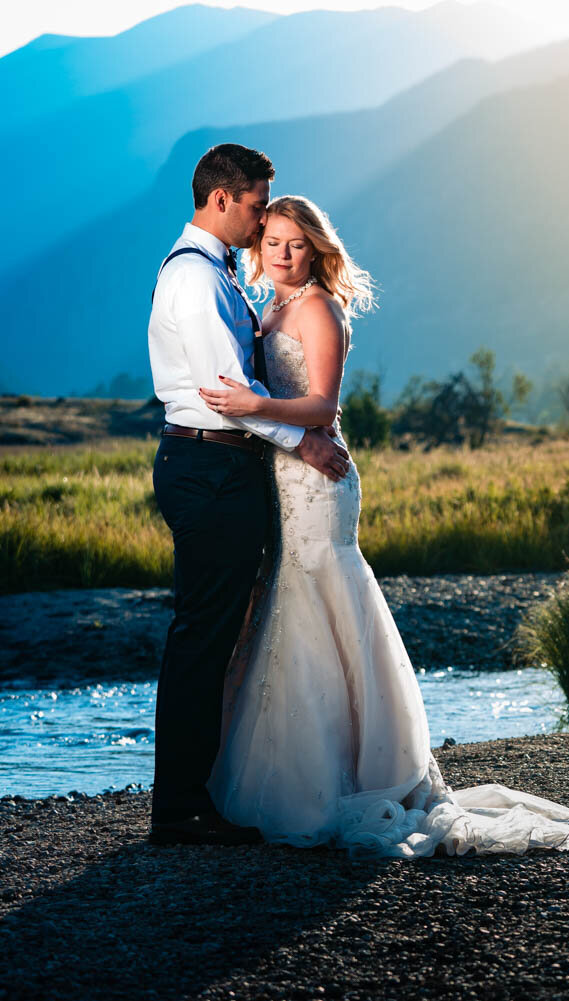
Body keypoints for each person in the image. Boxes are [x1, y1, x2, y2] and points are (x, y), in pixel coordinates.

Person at [195, 194, 569, 857]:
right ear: (257, 247)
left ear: (317, 248)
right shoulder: (272, 307)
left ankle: (352, 776)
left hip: (321, 483)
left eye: (297, 244)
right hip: (283, 478)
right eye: (273, 243)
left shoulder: (320, 307)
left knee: (322, 599)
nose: (285, 254)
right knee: (285, 606)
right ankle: (297, 775)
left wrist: (249, 401)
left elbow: (322, 404)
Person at [147, 143, 350, 846]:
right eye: (259, 206)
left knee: (214, 634)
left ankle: (195, 794)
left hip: (216, 467)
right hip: (208, 467)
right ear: (223, 198)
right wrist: (307, 442)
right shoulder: (198, 282)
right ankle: (179, 807)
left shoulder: (214, 273)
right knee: (204, 637)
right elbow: (227, 392)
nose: (263, 222)